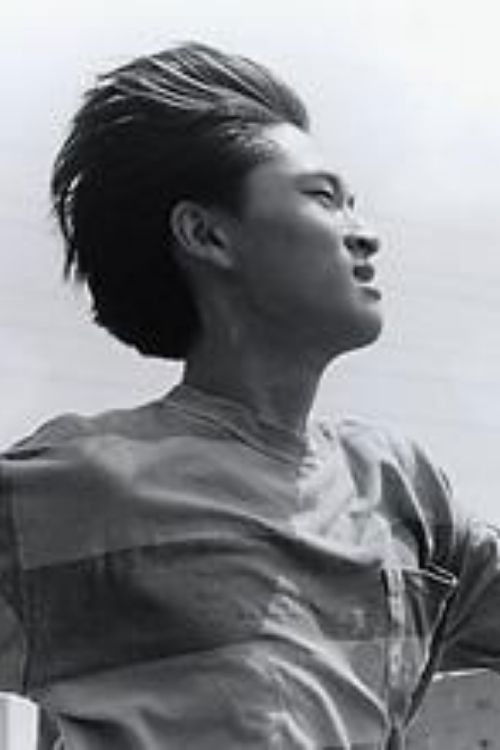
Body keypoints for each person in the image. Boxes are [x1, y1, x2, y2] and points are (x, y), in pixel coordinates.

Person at [1, 42, 499, 750]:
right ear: (206, 234)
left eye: (355, 204)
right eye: (323, 198)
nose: (366, 236)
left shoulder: (401, 490)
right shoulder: (80, 485)